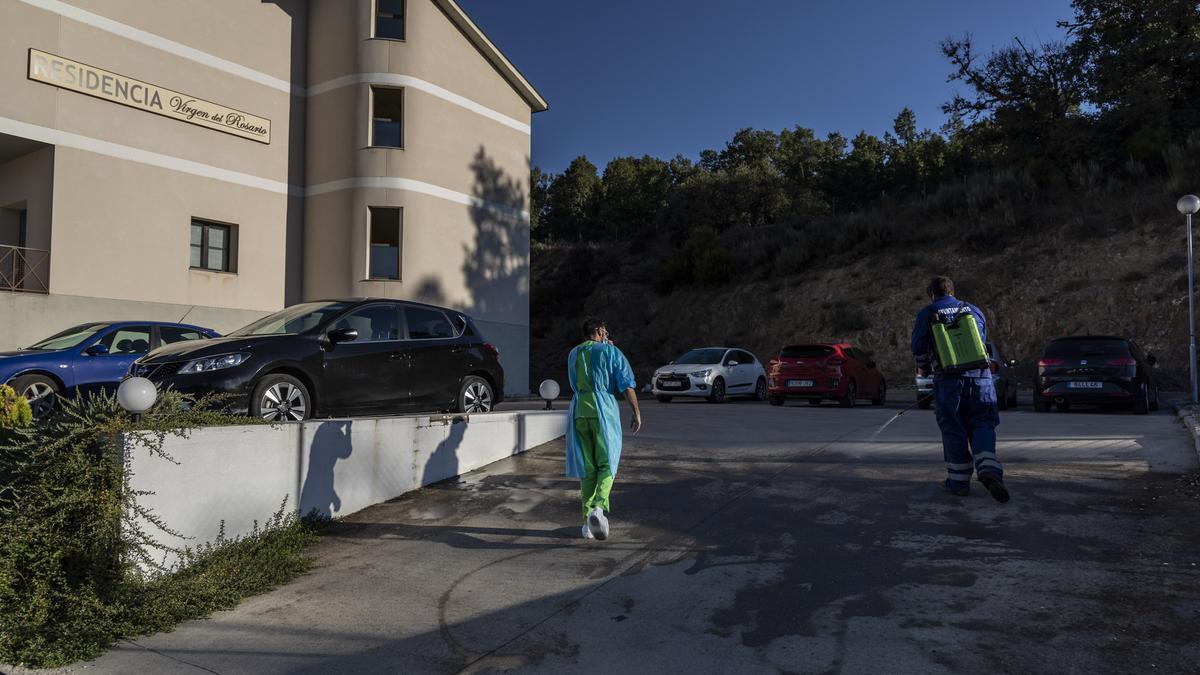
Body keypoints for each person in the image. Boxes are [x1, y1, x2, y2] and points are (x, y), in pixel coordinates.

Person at [910, 276, 1010, 503]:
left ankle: (958, 483)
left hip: (949, 381)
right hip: (981, 379)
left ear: (932, 294)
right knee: (982, 424)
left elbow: (919, 348)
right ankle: (990, 471)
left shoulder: (927, 313)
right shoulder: (973, 310)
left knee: (954, 429)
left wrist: (924, 368)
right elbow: (981, 341)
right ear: (952, 291)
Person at [566, 317, 642, 540]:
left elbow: (572, 381)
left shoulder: (573, 353)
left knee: (587, 468)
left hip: (579, 410)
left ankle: (586, 524)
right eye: (605, 330)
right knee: (608, 462)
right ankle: (599, 509)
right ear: (599, 331)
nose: (607, 333)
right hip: (603, 411)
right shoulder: (611, 352)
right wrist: (636, 411)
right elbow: (627, 384)